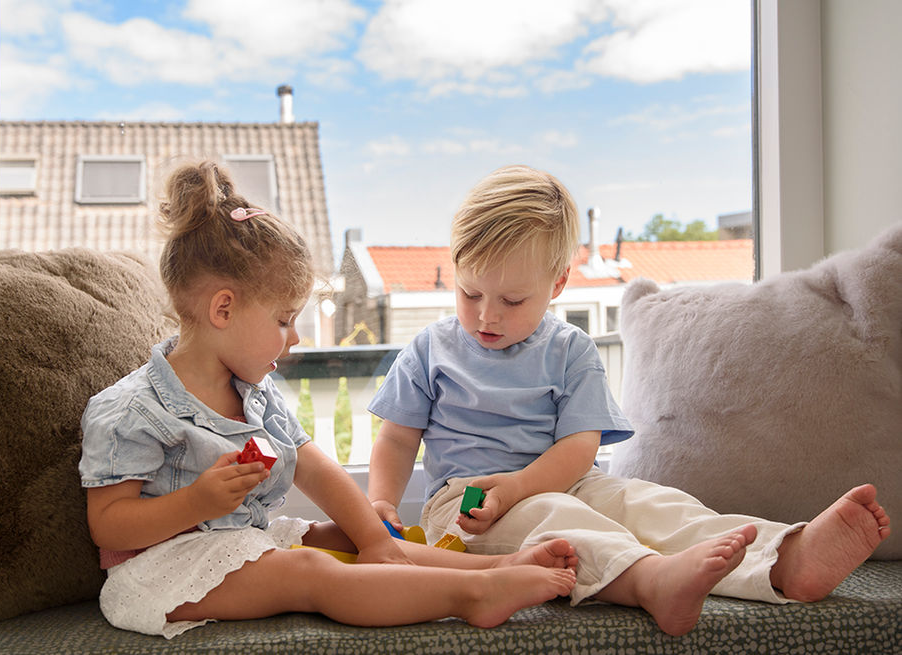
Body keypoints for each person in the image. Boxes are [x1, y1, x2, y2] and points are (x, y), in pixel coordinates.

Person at [367, 164, 892, 636]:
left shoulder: (570, 349)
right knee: (557, 518)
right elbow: (395, 436)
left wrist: (521, 484)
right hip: (469, 507)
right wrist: (380, 503)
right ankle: (651, 582)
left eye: (511, 300)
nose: (487, 316)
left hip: (572, 480)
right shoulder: (431, 350)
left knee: (653, 503)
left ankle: (783, 558)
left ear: (557, 284)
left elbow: (578, 447)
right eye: (470, 293)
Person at [78, 161, 578, 639]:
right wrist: (198, 501)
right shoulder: (133, 409)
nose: (294, 338)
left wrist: (375, 539)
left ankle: (495, 565)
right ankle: (472, 594)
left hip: (240, 543)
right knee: (308, 568)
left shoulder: (254, 395)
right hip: (163, 573)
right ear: (223, 309)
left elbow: (314, 469)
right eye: (282, 320)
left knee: (345, 534)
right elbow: (109, 527)